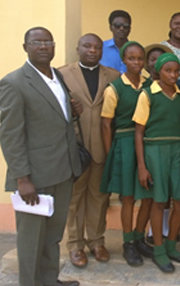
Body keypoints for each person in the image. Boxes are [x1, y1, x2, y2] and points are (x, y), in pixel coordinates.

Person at [0, 27, 82, 286]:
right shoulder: (13, 83)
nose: (43, 46)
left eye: (48, 42)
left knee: (53, 235)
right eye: (37, 42)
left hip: (63, 171)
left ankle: (49, 279)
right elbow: (10, 135)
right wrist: (22, 179)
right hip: (35, 177)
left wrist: (74, 111)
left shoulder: (57, 76)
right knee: (31, 240)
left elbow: (54, 119)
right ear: (26, 47)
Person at [59, 34, 119, 268]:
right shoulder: (62, 74)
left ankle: (96, 241)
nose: (92, 50)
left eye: (96, 47)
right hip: (76, 148)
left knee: (99, 197)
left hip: (102, 148)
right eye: (87, 46)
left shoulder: (113, 76)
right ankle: (75, 244)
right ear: (78, 48)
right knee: (74, 199)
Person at [133, 53, 180, 273]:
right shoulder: (147, 95)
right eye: (168, 71)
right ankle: (158, 250)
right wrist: (142, 166)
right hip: (154, 151)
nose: (173, 75)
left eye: (176, 71)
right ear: (158, 71)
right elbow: (139, 133)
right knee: (158, 201)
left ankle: (171, 245)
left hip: (177, 150)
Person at [100, 41, 154, 266]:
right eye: (132, 58)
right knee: (129, 197)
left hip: (147, 144)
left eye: (140, 58)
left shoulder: (150, 84)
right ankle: (128, 242)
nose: (137, 63)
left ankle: (140, 236)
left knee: (149, 195)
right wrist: (110, 154)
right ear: (124, 60)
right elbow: (106, 124)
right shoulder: (115, 88)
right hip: (124, 143)